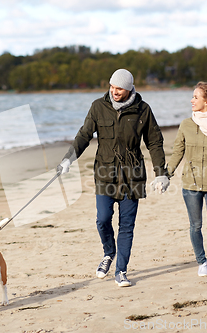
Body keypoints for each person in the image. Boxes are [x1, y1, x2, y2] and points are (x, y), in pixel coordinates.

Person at [58, 69, 169, 287]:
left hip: (132, 177)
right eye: (112, 86)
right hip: (105, 175)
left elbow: (154, 142)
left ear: (129, 89)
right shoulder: (98, 107)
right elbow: (84, 135)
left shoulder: (143, 110)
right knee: (102, 219)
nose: (114, 91)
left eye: (119, 88)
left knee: (126, 226)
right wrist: (68, 159)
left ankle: (121, 271)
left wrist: (161, 174)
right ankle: (109, 253)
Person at [166, 81, 207, 284]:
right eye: (193, 96)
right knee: (195, 226)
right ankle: (202, 262)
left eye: (196, 97)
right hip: (191, 184)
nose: (192, 100)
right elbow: (178, 151)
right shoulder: (186, 124)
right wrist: (165, 174)